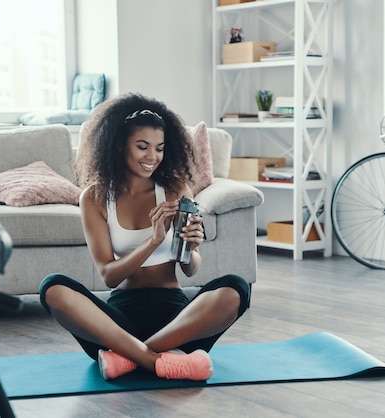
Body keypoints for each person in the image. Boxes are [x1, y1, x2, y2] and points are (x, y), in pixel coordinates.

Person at [39, 92, 250, 381]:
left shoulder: (176, 189)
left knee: (235, 288)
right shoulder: (96, 198)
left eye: (160, 148)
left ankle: (130, 357)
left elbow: (190, 269)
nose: (152, 157)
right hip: (117, 324)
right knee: (53, 288)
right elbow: (109, 276)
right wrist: (153, 240)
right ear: (119, 146)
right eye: (142, 147)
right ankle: (158, 360)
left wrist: (191, 246)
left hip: (177, 320)